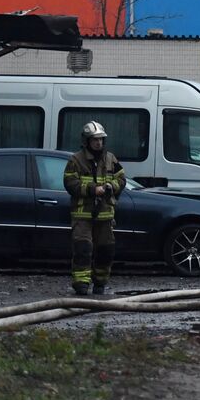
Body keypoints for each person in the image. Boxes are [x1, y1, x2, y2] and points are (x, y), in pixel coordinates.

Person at [63, 121, 126, 295]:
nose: (98, 143)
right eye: (95, 140)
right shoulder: (76, 160)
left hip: (105, 214)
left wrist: (112, 186)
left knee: (106, 250)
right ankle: (81, 284)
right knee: (83, 248)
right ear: (87, 141)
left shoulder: (111, 159)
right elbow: (70, 183)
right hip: (82, 214)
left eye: (101, 139)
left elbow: (122, 179)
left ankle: (100, 282)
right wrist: (92, 189)